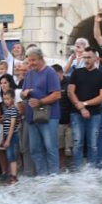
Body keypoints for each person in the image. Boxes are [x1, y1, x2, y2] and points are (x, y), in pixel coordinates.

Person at [21, 46, 62, 175]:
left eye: (33, 60)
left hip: (49, 116)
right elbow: (22, 94)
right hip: (32, 117)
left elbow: (57, 94)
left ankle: (54, 176)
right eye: (29, 60)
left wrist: (40, 101)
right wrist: (25, 93)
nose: (31, 63)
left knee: (51, 148)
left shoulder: (50, 73)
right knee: (35, 149)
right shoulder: (29, 74)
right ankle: (42, 176)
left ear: (41, 58)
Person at [67, 49, 102, 169]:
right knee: (77, 143)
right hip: (76, 113)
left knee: (93, 144)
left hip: (95, 113)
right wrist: (80, 108)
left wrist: (84, 104)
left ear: (96, 59)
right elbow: (70, 92)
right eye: (84, 57)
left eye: (89, 57)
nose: (86, 60)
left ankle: (92, 171)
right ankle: (79, 171)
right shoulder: (76, 73)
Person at [0, 87, 22, 183]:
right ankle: (12, 175)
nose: (6, 101)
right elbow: (6, 125)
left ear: (13, 99)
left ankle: (14, 177)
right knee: (9, 156)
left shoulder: (13, 110)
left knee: (12, 157)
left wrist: (8, 139)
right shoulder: (7, 111)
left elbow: (12, 126)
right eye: (4, 99)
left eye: (8, 99)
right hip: (7, 135)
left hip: (12, 136)